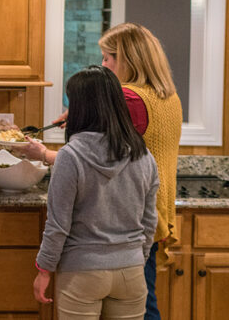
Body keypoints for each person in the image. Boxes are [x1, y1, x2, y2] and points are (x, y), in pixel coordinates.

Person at [18, 23, 181, 320]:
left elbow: (99, 158)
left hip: (115, 221)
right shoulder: (167, 97)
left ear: (129, 59)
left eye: (107, 58)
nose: (103, 65)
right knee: (145, 303)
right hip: (147, 221)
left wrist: (44, 153)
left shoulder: (130, 98)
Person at [33, 65, 159, 320]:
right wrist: (136, 257)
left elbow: (58, 225)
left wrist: (44, 269)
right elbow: (149, 222)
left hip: (82, 272)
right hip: (131, 272)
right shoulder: (143, 155)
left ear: (79, 107)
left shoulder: (71, 156)